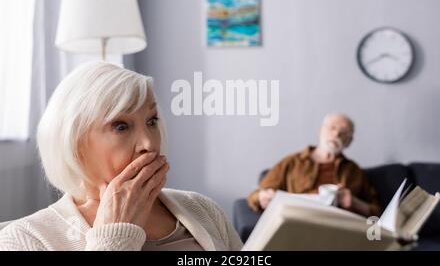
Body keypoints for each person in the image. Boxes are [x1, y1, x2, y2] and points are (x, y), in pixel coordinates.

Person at [0, 61, 243, 251]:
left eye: (152, 121)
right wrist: (115, 235)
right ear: (74, 142)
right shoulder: (24, 239)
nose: (149, 143)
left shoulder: (202, 208)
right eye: (121, 126)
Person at [247, 113, 381, 217]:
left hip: (338, 228)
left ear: (349, 141)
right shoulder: (292, 162)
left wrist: (353, 202)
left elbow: (377, 212)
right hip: (298, 223)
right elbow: (254, 196)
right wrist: (262, 197)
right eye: (332, 127)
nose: (336, 134)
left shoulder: (354, 171)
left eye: (344, 132)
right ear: (321, 130)